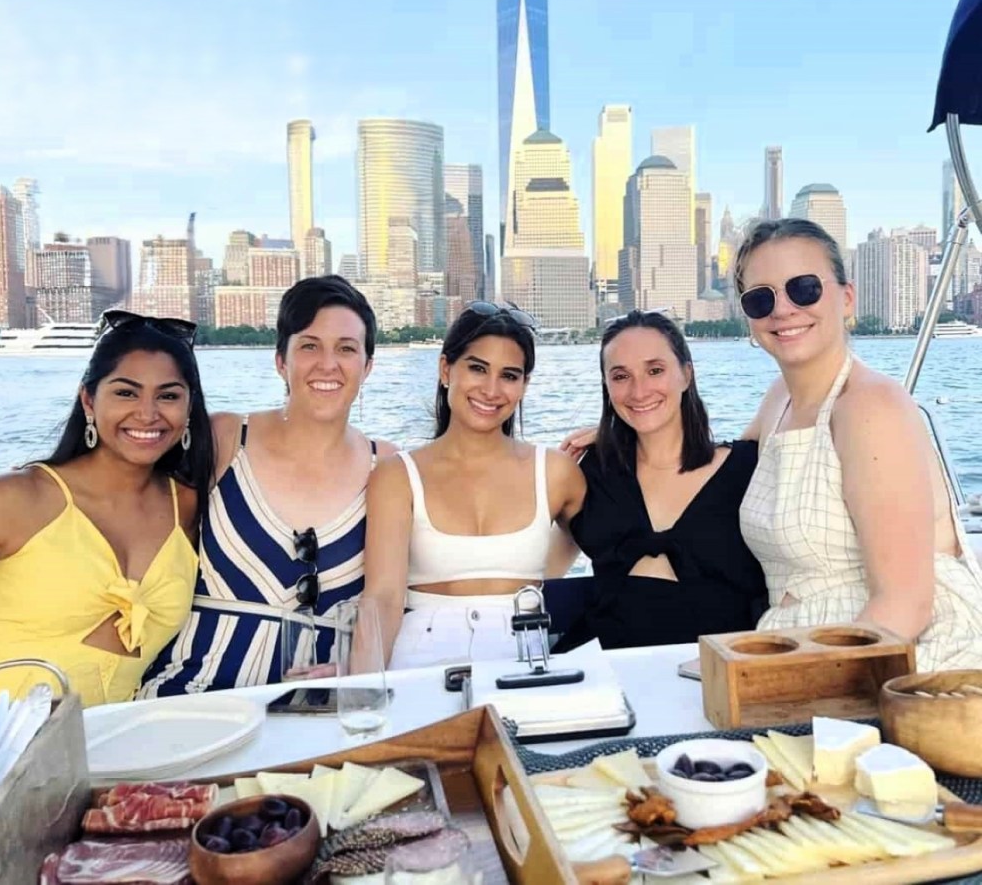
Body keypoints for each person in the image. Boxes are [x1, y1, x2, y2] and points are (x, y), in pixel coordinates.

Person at [735, 217, 982, 670]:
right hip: (801, 648)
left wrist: (793, 683)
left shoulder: (871, 407)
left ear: (846, 298)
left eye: (804, 288)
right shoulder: (779, 400)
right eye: (760, 298)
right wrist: (631, 431)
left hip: (906, 662)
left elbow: (904, 607)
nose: (782, 309)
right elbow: (712, 464)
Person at [139, 276, 396, 696]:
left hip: (319, 708)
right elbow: (130, 509)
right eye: (309, 346)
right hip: (192, 693)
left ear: (367, 366)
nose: (328, 364)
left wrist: (359, 675)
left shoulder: (385, 464)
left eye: (346, 349)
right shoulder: (224, 438)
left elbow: (384, 599)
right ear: (281, 360)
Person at [0, 312, 212, 705]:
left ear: (189, 407)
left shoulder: (186, 506)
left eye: (169, 395)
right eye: (126, 392)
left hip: (115, 753)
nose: (147, 413)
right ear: (88, 399)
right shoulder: (13, 500)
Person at [363, 303, 587, 669]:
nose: (491, 389)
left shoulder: (556, 472)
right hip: (420, 660)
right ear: (446, 369)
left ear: (524, 386)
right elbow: (382, 599)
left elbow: (616, 537)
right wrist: (361, 692)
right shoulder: (396, 475)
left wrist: (615, 438)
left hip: (527, 659)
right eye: (477, 368)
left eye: (509, 376)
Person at [560, 310, 767, 650]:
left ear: (686, 374)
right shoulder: (594, 473)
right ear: (606, 385)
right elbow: (542, 564)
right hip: (607, 667)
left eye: (655, 370)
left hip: (717, 675)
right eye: (620, 376)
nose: (639, 391)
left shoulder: (746, 468)